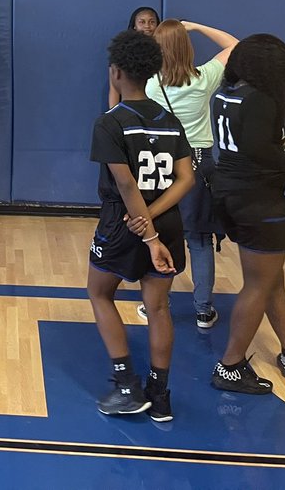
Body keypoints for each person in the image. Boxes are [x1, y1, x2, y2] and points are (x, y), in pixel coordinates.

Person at [87, 30, 194, 421]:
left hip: (124, 223)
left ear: (116, 72)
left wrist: (147, 234)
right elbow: (186, 178)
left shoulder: (110, 122)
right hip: (167, 221)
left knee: (99, 293)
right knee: (159, 306)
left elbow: (127, 184)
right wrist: (154, 219)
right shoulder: (171, 120)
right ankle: (160, 395)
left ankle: (127, 387)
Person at [210, 34, 285, 395]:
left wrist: (280, 146)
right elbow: (256, 149)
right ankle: (230, 366)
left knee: (270, 278)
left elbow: (246, 144)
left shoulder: (227, 93)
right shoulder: (262, 98)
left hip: (229, 194)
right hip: (258, 201)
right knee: (258, 283)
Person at [142, 19, 238, 330]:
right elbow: (235, 46)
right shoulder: (204, 78)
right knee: (199, 239)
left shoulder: (151, 84)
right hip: (198, 162)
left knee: (163, 234)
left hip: (163, 162)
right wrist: (196, 26)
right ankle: (203, 310)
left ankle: (158, 302)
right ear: (187, 48)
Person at [108, 6, 160, 109]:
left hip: (157, 110)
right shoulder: (122, 51)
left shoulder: (164, 50)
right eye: (142, 22)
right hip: (130, 110)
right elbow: (114, 90)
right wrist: (113, 113)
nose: (147, 26)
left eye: (152, 22)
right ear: (134, 26)